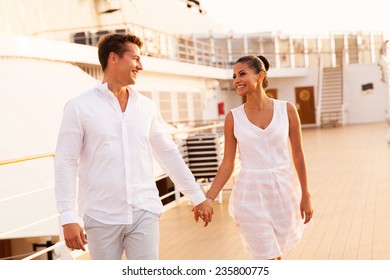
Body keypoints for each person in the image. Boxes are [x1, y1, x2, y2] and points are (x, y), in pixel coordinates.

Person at [54, 33, 213, 260]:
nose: (140, 65)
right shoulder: (79, 106)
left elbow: (168, 153)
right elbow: (66, 161)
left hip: (144, 210)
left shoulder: (146, 106)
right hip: (101, 215)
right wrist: (68, 216)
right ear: (113, 58)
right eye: (135, 58)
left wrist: (196, 196)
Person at [205, 55, 313, 260]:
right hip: (250, 194)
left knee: (276, 255)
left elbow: (298, 155)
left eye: (242, 74)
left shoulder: (287, 110)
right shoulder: (233, 117)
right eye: (235, 75)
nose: (236, 80)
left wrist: (306, 195)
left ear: (260, 75)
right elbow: (228, 163)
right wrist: (209, 198)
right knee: (267, 257)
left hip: (283, 191)